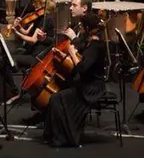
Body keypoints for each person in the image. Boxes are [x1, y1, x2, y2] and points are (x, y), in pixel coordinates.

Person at [42, 11, 106, 147]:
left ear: (88, 28)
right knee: (57, 93)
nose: (81, 29)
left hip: (92, 89)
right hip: (86, 84)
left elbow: (82, 68)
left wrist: (72, 54)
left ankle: (64, 138)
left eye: (82, 27)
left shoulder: (96, 46)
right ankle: (51, 135)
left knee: (56, 98)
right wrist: (62, 56)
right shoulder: (90, 42)